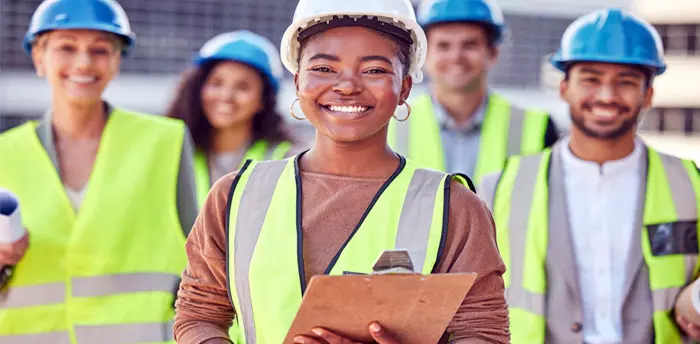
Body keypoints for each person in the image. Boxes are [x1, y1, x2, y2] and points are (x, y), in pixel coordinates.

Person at [173, 0, 510, 343]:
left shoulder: (455, 209)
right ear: (298, 80)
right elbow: (198, 316)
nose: (347, 86)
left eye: (374, 70)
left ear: (404, 88)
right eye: (324, 68)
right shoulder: (236, 196)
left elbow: (483, 333)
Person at [478, 8, 700, 343]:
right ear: (565, 88)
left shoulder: (690, 184)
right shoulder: (500, 188)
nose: (607, 96)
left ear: (649, 94)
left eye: (625, 82)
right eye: (591, 79)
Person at [0, 0, 197, 342]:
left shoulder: (166, 142)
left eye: (100, 50)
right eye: (66, 47)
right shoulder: (5, 154)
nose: (83, 62)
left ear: (117, 61)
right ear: (38, 58)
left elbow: (204, 268)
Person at [387, 0, 559, 185]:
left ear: (492, 52)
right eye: (444, 45)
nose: (456, 57)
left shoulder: (539, 129)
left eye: (469, 45)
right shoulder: (389, 125)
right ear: (423, 55)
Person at [166, 30, 297, 207]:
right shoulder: (172, 150)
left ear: (264, 99)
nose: (226, 96)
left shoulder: (288, 160)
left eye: (243, 87)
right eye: (216, 83)